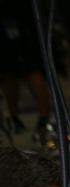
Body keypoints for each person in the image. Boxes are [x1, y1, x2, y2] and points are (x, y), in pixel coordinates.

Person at [0, 2, 51, 142]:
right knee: (6, 73)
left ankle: (44, 117)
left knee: (29, 68)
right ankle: (14, 118)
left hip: (21, 19)